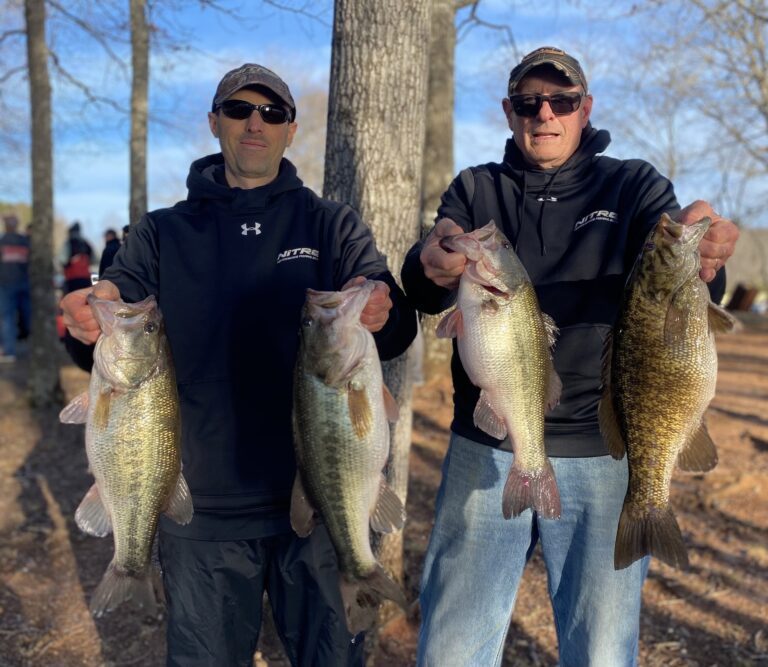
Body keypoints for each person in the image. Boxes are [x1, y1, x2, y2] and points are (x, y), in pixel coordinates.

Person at [60, 63, 416, 667]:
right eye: (239, 110)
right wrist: (87, 317)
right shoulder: (160, 232)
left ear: (290, 128)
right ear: (215, 123)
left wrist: (383, 307)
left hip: (323, 499)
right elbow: (112, 307)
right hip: (200, 510)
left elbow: (396, 321)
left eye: (272, 113)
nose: (256, 123)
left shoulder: (329, 224)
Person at [401, 46, 740, 667]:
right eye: (530, 103)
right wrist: (430, 261)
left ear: (586, 108)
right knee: (450, 649)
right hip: (491, 446)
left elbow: (679, 286)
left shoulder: (633, 184)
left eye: (562, 101)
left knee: (603, 653)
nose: (546, 114)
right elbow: (426, 277)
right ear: (509, 112)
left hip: (605, 451)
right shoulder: (477, 189)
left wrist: (707, 258)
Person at [0, 214, 31, 363]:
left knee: (7, 318)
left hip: (6, 285)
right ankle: (35, 346)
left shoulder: (2, 241)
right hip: (24, 283)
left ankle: (9, 352)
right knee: (28, 316)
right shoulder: (24, 241)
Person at [59, 221, 94, 293]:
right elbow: (94, 261)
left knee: (72, 301)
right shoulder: (86, 243)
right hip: (86, 278)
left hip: (71, 279)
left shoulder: (68, 243)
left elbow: (62, 260)